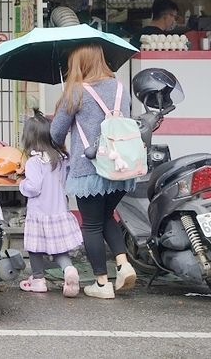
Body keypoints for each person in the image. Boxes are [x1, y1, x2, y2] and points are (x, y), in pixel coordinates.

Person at [49, 43, 138, 299]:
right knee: (108, 216)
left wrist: (62, 112)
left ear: (79, 63)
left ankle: (102, 283)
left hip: (89, 170)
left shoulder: (75, 92)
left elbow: (56, 134)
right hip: (121, 167)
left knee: (91, 225)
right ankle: (123, 264)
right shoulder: (121, 88)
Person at [18, 110, 83, 297]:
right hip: (59, 211)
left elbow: (34, 187)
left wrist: (22, 184)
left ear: (29, 138)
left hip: (39, 213)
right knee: (59, 250)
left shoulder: (34, 162)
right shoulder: (61, 158)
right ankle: (69, 269)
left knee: (34, 248)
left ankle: (38, 280)